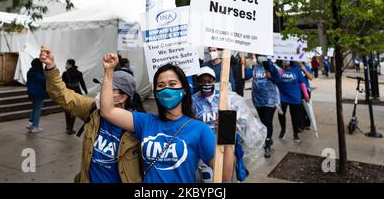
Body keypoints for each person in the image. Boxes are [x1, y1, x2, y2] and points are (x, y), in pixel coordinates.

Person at [99, 54, 235, 183]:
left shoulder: (200, 129)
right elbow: (107, 111)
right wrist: (109, 72)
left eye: (172, 84)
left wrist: (228, 137)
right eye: (161, 85)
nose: (166, 89)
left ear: (185, 90)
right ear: (156, 93)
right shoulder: (145, 122)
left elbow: (225, 175)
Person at [40, 46, 145, 183]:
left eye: (108, 88)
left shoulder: (140, 126)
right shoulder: (93, 110)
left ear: (122, 98)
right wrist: (51, 67)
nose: (102, 92)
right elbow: (62, 95)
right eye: (102, 86)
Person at [192, 66, 248, 182]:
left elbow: (241, 121)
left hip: (224, 146)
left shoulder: (225, 98)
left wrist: (228, 124)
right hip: (204, 148)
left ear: (214, 81)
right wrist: (197, 123)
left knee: (226, 179)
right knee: (208, 180)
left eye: (209, 81)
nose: (206, 84)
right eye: (202, 81)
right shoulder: (192, 101)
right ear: (198, 82)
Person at [272, 61, 310, 142]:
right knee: (281, 113)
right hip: (283, 96)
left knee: (295, 117)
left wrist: (306, 95)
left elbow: (302, 83)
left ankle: (295, 134)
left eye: (285, 60)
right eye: (283, 60)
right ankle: (283, 130)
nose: (284, 61)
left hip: (295, 97)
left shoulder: (296, 69)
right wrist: (271, 77)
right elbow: (277, 82)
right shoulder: (279, 70)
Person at [251, 55, 279, 158]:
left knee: (267, 122)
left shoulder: (271, 67)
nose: (260, 57)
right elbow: (248, 76)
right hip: (258, 100)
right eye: (259, 56)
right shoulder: (255, 67)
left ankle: (267, 145)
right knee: (263, 122)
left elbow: (278, 80)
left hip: (270, 100)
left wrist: (271, 76)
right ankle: (269, 137)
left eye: (262, 55)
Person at [62, 59, 88, 135]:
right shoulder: (78, 73)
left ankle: (68, 126)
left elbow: (62, 85)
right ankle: (71, 127)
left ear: (70, 64)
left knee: (67, 110)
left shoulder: (65, 73)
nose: (66, 65)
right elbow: (82, 82)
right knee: (74, 110)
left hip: (67, 94)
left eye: (66, 64)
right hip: (77, 94)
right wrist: (85, 90)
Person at [26, 58, 48, 133]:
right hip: (39, 93)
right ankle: (35, 127)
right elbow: (44, 81)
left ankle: (30, 124)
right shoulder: (38, 73)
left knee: (34, 108)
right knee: (37, 110)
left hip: (31, 92)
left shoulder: (29, 71)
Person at [299, 62, 314, 130]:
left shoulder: (306, 66)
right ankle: (301, 125)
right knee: (299, 109)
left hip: (306, 90)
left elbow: (311, 77)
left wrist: (304, 69)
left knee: (307, 107)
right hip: (296, 90)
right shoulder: (293, 67)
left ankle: (307, 124)